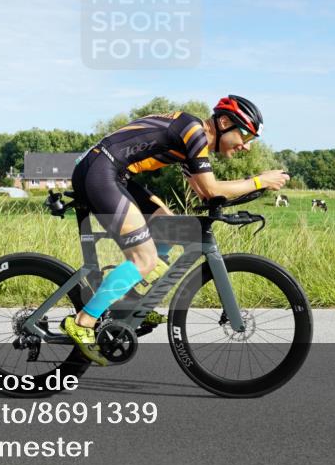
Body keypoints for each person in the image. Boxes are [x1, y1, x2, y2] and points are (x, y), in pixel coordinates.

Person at [62, 95, 291, 365]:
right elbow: (212, 188)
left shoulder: (193, 140)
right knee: (144, 258)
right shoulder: (193, 131)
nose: (246, 147)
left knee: (171, 230)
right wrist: (257, 181)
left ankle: (128, 302)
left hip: (113, 172)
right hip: (100, 171)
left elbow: (205, 194)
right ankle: (83, 322)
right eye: (246, 137)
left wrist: (255, 188)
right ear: (225, 122)